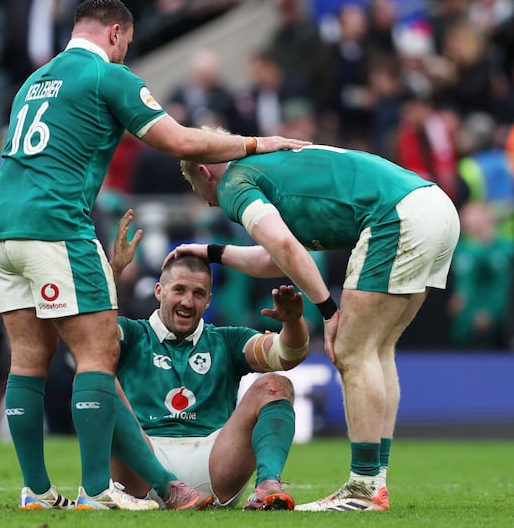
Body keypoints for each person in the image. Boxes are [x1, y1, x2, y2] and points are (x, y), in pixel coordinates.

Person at [0, 0, 309, 511]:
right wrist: (255, 143)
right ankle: (95, 493)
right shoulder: (106, 77)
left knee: (27, 358)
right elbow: (178, 142)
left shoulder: (34, 81)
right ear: (114, 33)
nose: (125, 55)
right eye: (126, 45)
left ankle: (37, 492)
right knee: (96, 354)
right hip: (55, 224)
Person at [171, 143, 460, 512]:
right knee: (376, 349)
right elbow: (276, 255)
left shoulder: (232, 182)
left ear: (204, 171)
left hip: (396, 216)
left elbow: (284, 247)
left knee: (352, 352)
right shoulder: (272, 169)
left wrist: (327, 310)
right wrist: (211, 252)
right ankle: (375, 482)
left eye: (203, 194)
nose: (213, 204)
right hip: (433, 206)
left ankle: (364, 488)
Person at [107, 209, 309, 510]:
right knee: (97, 379)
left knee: (276, 384)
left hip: (214, 464)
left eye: (198, 293)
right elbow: (88, 336)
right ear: (159, 291)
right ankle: (165, 486)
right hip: (143, 470)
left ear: (209, 300)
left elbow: (287, 354)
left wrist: (293, 323)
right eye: (179, 290)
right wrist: (114, 272)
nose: (188, 301)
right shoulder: (134, 334)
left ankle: (268, 485)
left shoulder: (226, 340)